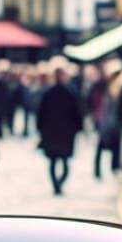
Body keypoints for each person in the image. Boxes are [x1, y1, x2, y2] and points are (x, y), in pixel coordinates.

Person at [37, 57, 84, 195]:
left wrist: (40, 130)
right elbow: (78, 113)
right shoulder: (69, 92)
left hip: (54, 132)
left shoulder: (49, 92)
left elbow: (40, 114)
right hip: (64, 132)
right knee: (63, 161)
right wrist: (78, 128)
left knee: (54, 162)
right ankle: (58, 185)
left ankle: (57, 186)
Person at [93, 59, 122, 179]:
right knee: (101, 147)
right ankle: (99, 170)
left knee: (114, 148)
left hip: (113, 124)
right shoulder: (104, 87)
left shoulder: (119, 88)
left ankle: (113, 168)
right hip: (105, 122)